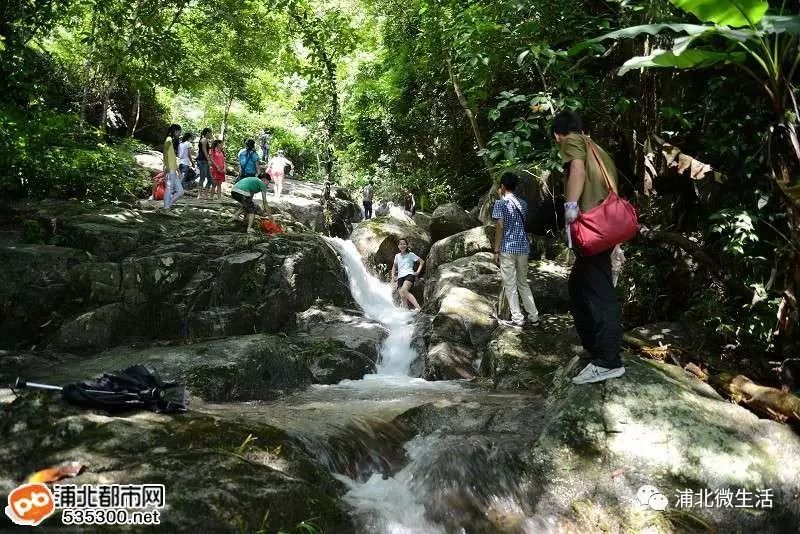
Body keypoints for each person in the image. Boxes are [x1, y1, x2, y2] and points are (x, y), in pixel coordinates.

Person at [553, 110, 625, 385]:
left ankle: (608, 361)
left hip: (593, 229)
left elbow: (578, 169)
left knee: (599, 291)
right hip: (606, 226)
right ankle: (594, 346)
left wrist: (571, 205)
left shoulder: (572, 141)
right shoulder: (599, 149)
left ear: (557, 135)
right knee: (578, 285)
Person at [491, 172, 540, 329]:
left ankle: (518, 318)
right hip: (523, 247)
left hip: (507, 248)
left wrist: (496, 249)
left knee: (510, 284)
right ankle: (534, 317)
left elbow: (500, 226)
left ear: (503, 187)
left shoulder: (500, 204)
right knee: (523, 283)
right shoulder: (523, 204)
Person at [391, 238, 424, 310]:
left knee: (404, 290)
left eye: (404, 244)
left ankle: (419, 308)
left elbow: (421, 262)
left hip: (409, 275)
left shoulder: (411, 254)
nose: (402, 245)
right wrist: (393, 275)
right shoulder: (397, 256)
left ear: (407, 245)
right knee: (402, 296)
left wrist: (417, 272)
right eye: (400, 244)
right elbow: (394, 266)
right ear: (398, 246)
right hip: (400, 277)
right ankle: (406, 312)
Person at [162, 123, 184, 209]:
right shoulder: (169, 138)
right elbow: (164, 151)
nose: (179, 134)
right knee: (169, 189)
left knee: (180, 191)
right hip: (169, 169)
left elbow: (173, 158)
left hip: (173, 169)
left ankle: (168, 205)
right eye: (179, 132)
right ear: (174, 131)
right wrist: (166, 165)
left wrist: (178, 170)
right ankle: (166, 207)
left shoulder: (172, 142)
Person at [196, 128, 213, 199]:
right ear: (207, 133)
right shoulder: (204, 140)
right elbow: (204, 150)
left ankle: (205, 194)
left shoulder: (206, 140)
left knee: (210, 179)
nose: (211, 134)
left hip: (204, 160)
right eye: (210, 133)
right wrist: (208, 159)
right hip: (202, 160)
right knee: (202, 177)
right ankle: (199, 194)